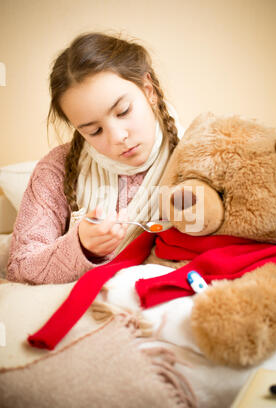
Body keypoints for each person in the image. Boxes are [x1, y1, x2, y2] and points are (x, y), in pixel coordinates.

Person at [7, 32, 184, 285]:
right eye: (94, 131)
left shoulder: (197, 152)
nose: (117, 137)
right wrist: (82, 245)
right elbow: (20, 268)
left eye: (123, 112)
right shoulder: (56, 169)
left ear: (148, 90)